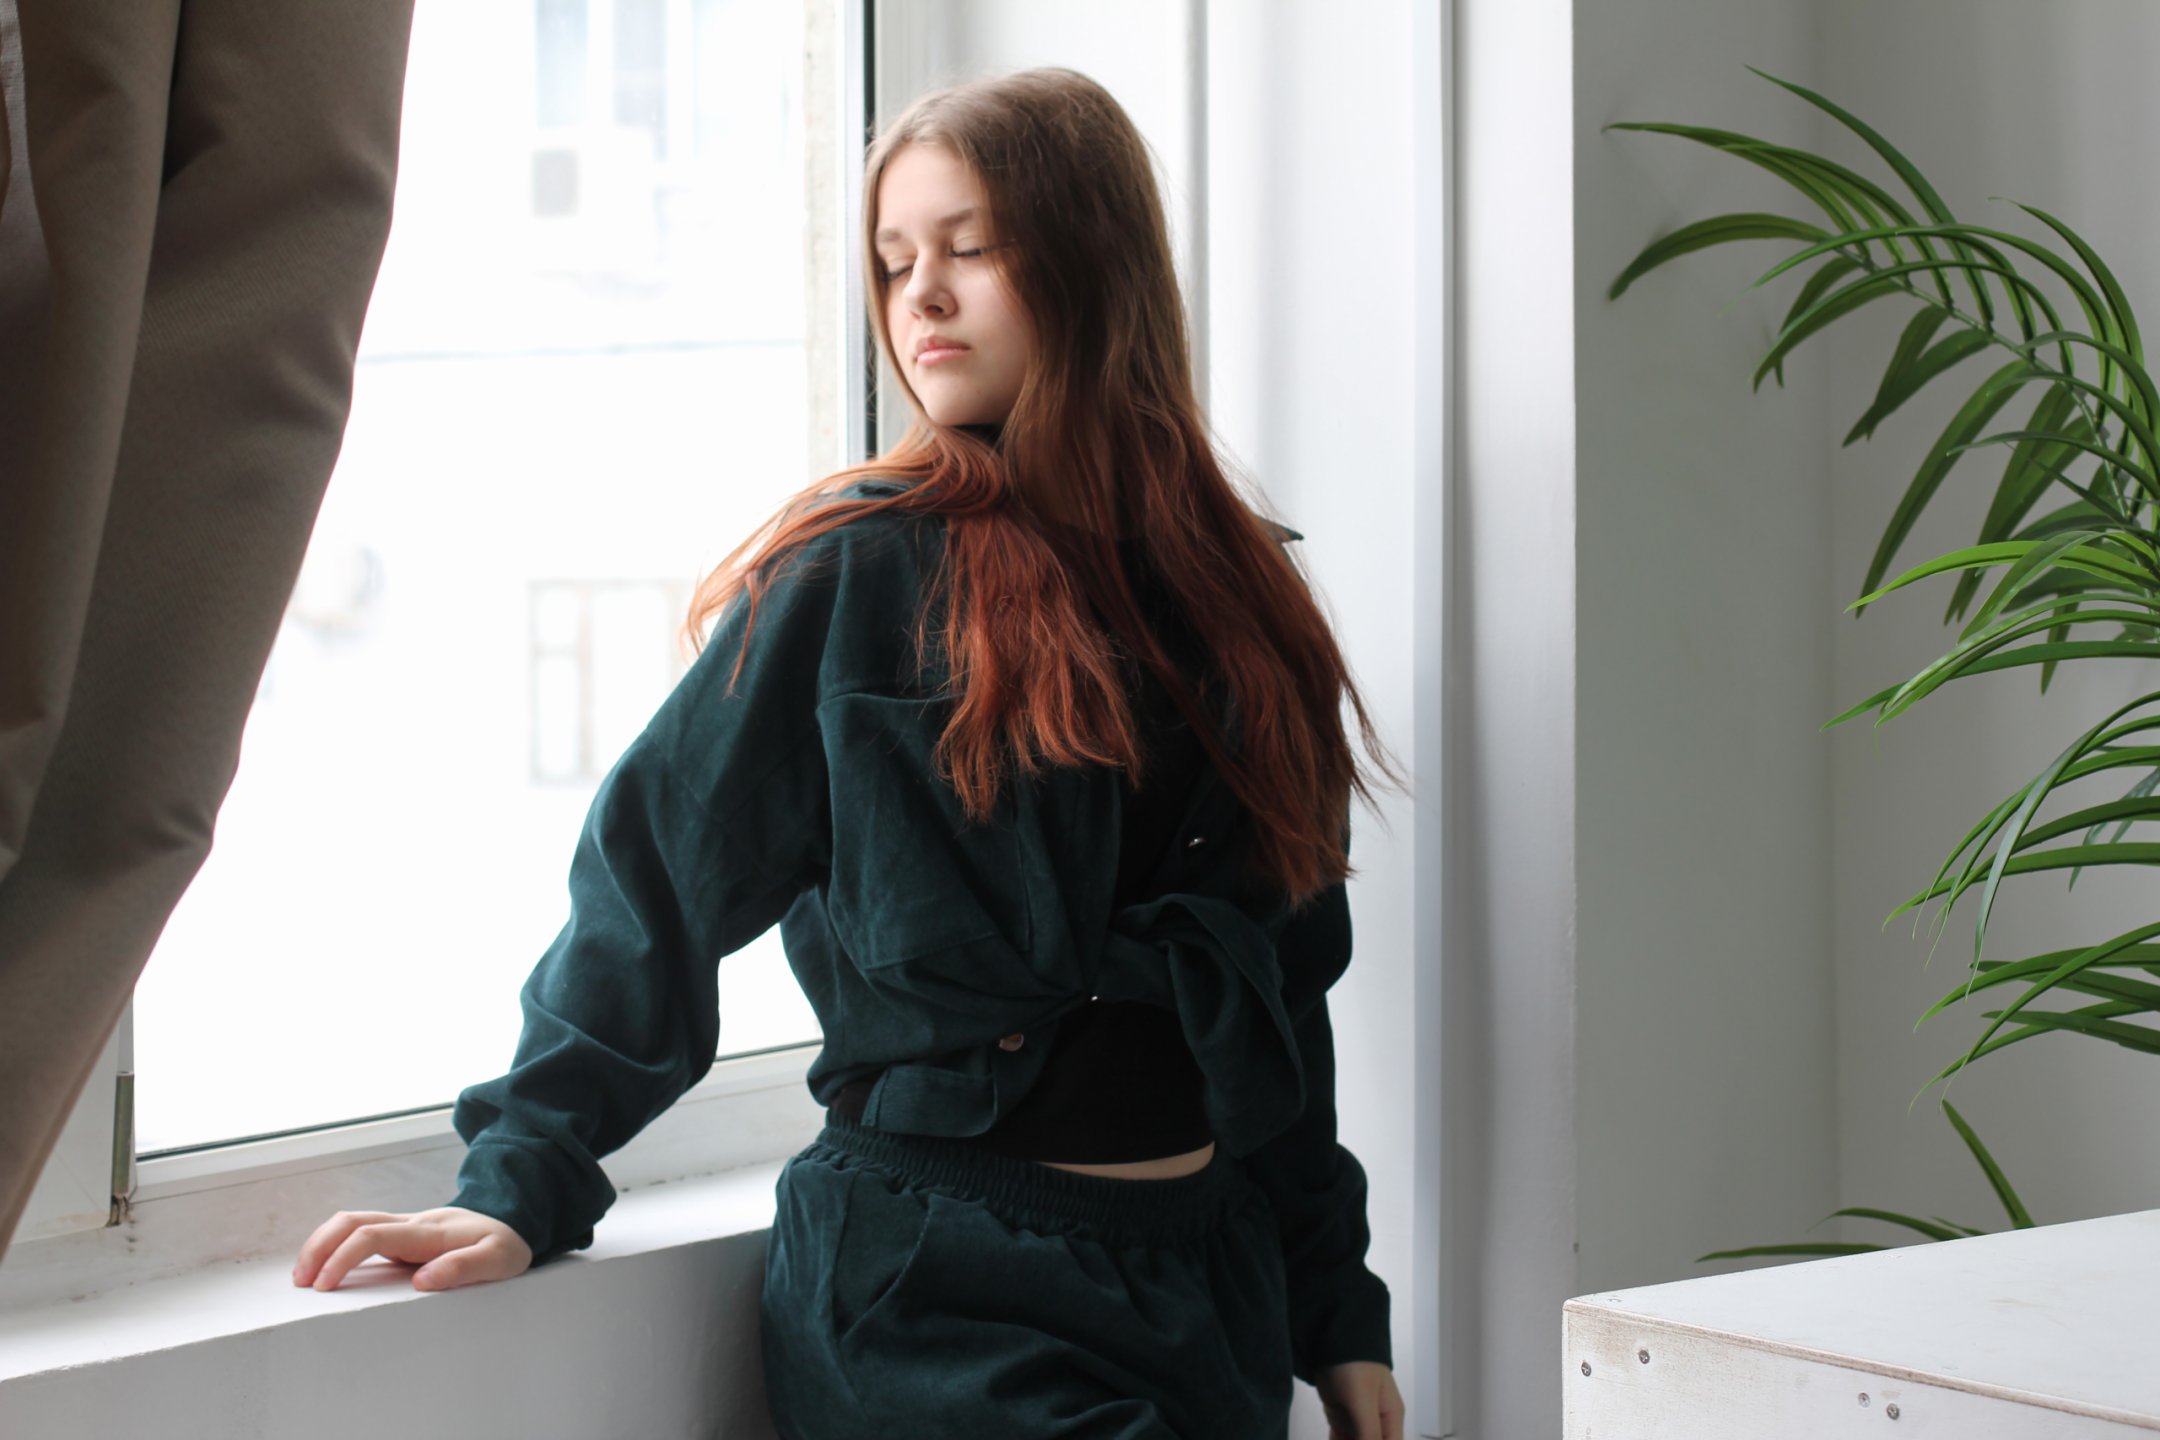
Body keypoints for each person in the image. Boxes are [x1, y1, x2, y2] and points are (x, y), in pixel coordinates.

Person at [290, 66, 1408, 1440]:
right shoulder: (860, 573)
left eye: (968, 248)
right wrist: (519, 1176)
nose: (919, 296)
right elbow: (658, 874)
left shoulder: (1244, 599)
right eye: (892, 262)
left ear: (1093, 260)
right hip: (939, 1286)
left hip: (1206, 1290)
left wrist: (1336, 1314)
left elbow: (1282, 1000)